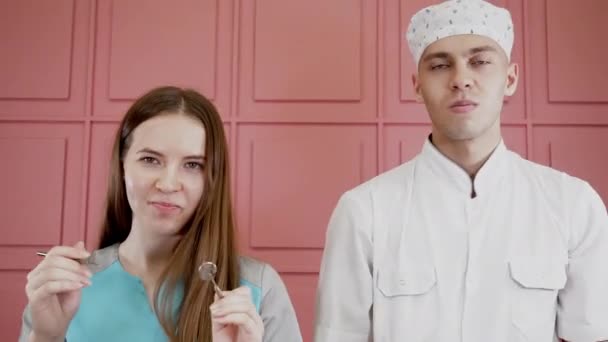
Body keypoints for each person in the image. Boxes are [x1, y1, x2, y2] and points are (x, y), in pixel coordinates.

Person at [313, 1, 608, 341]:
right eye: (440, 65)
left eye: (480, 62)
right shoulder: (365, 211)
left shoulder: (573, 205)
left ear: (510, 78)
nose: (461, 79)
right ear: (417, 85)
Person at [19, 86, 303, 342]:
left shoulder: (259, 288)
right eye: (150, 160)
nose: (168, 184)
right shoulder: (64, 291)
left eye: (193, 165)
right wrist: (46, 336)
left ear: (212, 178)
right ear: (122, 166)